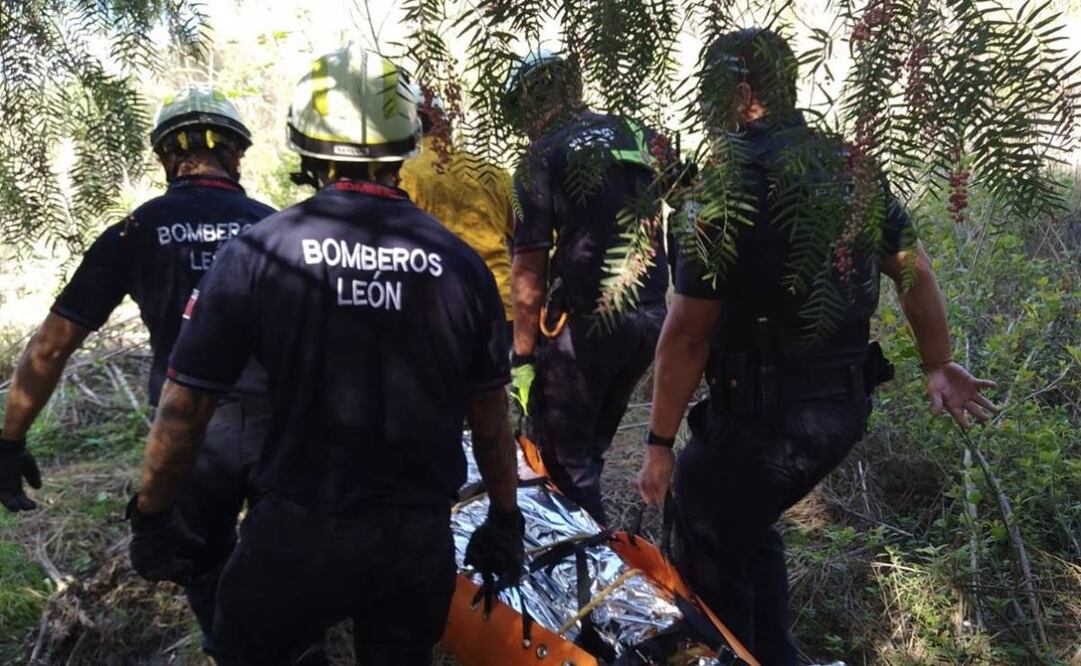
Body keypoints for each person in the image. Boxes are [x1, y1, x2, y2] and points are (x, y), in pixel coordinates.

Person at [128, 45, 523, 665]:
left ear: (303, 144)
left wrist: (152, 514)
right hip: (415, 541)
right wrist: (505, 517)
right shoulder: (461, 265)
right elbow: (492, 416)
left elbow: (185, 406)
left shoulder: (258, 253)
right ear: (407, 143)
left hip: (295, 533)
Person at [636, 28, 997, 665]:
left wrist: (659, 445)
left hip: (765, 416)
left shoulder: (720, 186)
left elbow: (688, 333)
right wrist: (938, 364)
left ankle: (737, 651)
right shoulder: (850, 166)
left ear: (743, 94)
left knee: (702, 535)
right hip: (840, 409)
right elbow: (915, 271)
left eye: (715, 92)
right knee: (743, 518)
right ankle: (778, 654)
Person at [0, 84, 275, 644]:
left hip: (190, 431)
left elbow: (52, 345)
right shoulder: (276, 227)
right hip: (284, 425)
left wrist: (10, 439)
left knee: (203, 562)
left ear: (166, 157)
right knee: (285, 565)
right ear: (236, 153)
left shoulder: (135, 230)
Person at [504, 47, 670, 525]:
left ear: (531, 102)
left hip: (589, 327)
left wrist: (521, 358)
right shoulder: (639, 135)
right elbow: (693, 214)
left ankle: (586, 577)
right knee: (590, 449)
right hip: (651, 317)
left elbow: (529, 267)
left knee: (564, 467)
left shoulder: (538, 157)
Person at [399, 86, 516, 335]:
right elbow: (529, 236)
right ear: (446, 123)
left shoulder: (402, 175)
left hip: (440, 312)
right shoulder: (492, 173)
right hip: (503, 306)